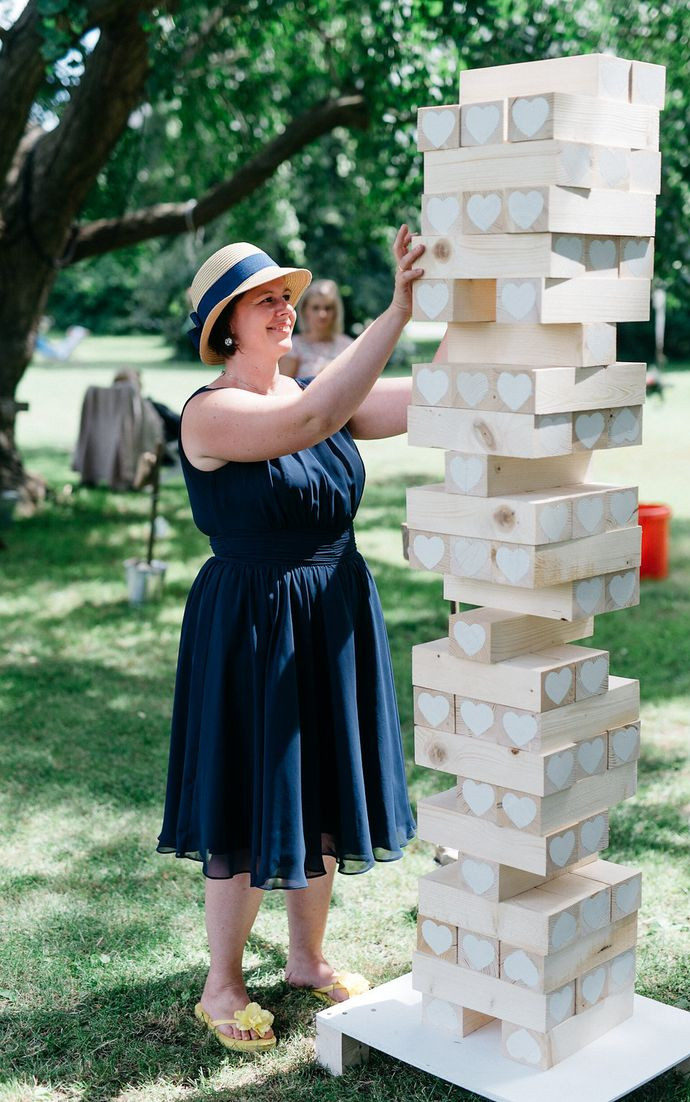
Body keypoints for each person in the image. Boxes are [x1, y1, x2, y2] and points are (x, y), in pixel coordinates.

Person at [156, 227, 431, 1054]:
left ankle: (308, 960)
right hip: (253, 622)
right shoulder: (210, 413)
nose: (284, 309)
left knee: (316, 788)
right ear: (226, 327)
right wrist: (398, 310)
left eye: (286, 296)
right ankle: (222, 983)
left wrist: (498, 320)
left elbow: (423, 396)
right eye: (266, 300)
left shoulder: (316, 386)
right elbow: (313, 417)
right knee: (248, 791)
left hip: (331, 611)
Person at [278, 278, 353, 378]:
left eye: (328, 308)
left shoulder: (348, 346)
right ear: (305, 311)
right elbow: (284, 388)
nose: (322, 314)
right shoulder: (293, 347)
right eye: (315, 308)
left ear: (336, 311)